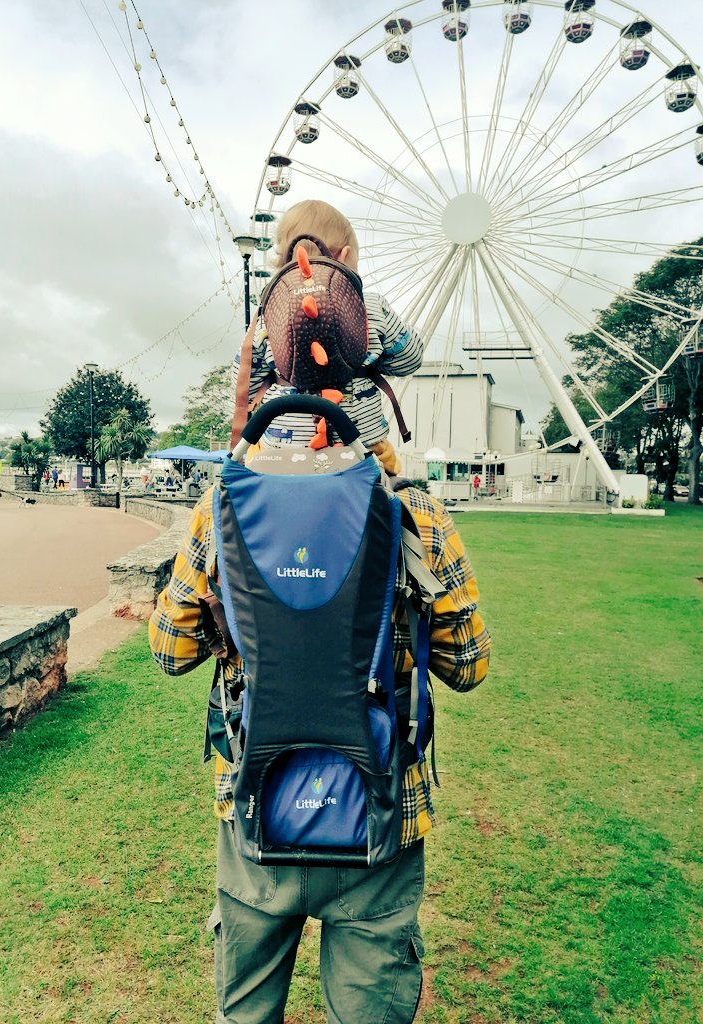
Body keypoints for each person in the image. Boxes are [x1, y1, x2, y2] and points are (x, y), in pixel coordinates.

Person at [148, 470, 490, 1023]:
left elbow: (171, 651)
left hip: (257, 808)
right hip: (381, 814)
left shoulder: (225, 504)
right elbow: (468, 665)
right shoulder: (415, 511)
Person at [233, 199, 423, 476]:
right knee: (393, 501)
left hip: (280, 458)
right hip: (362, 452)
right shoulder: (370, 307)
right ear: (346, 257)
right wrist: (373, 362)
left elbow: (242, 387)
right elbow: (410, 360)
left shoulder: (266, 317)